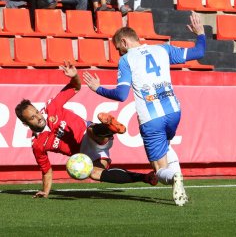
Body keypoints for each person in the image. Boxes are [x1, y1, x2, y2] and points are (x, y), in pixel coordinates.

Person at [83, 12, 206, 206]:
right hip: (174, 111)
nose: (119, 53)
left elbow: (121, 95)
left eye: (118, 49)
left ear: (124, 42)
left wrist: (97, 89)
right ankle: (179, 186)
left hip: (151, 117)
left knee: (159, 169)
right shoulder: (163, 49)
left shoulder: (126, 60)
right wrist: (200, 33)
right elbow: (199, 53)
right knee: (166, 144)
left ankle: (174, 176)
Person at [15, 61, 158, 198]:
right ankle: (146, 177)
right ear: (25, 123)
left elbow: (75, 87)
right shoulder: (37, 144)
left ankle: (110, 128)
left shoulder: (51, 107)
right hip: (87, 155)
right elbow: (46, 171)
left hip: (90, 134)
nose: (38, 117)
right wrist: (45, 192)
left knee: (90, 131)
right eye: (32, 118)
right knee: (94, 173)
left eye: (36, 113)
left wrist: (74, 76)